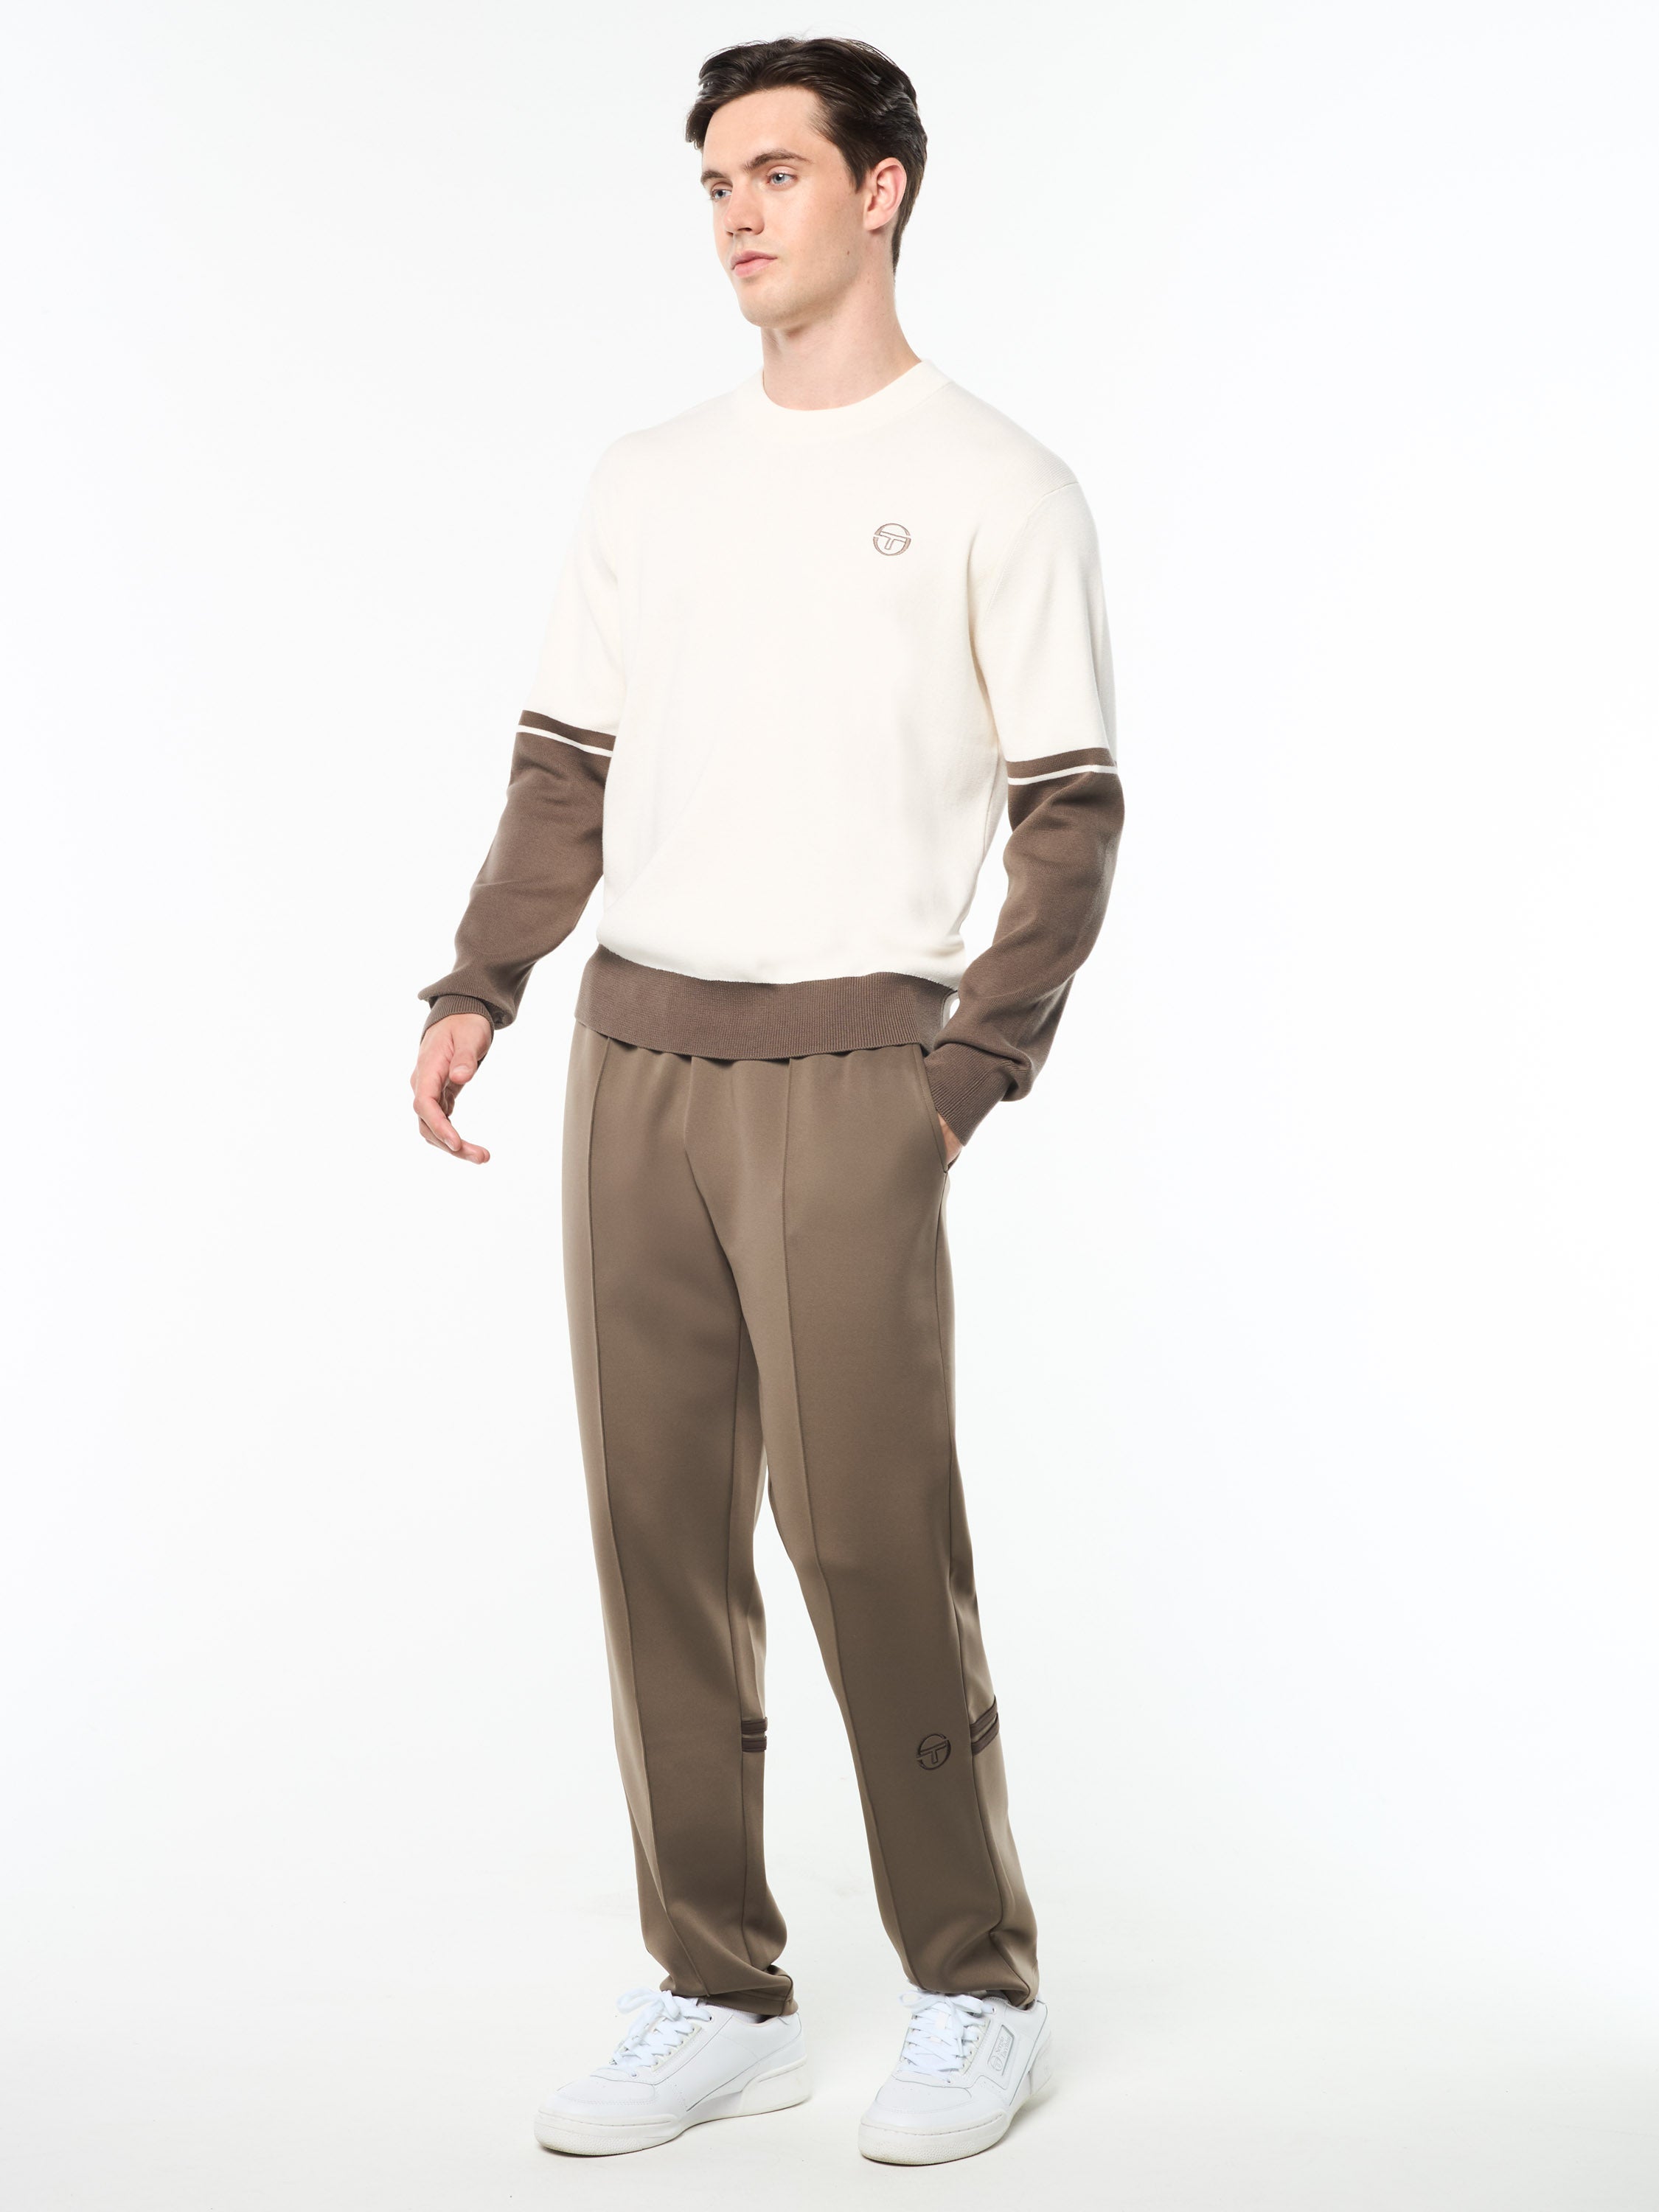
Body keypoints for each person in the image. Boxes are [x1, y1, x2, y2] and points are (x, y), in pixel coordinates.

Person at [410, 34, 1123, 2168]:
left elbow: (1070, 816)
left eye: (778, 172)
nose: (736, 211)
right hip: (635, 1060)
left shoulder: (999, 483)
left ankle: (972, 1984)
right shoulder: (645, 478)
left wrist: (964, 1076)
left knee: (868, 1537)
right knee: (655, 1539)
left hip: (852, 1075)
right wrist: (484, 980)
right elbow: (565, 767)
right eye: (715, 179)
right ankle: (714, 1984)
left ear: (881, 190)